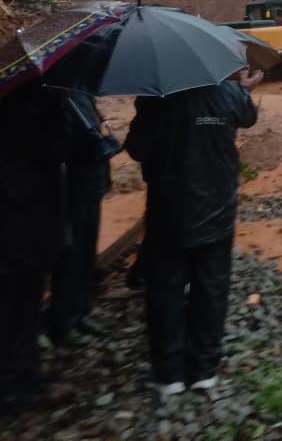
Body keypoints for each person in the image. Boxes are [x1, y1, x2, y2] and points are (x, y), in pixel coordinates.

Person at [124, 68, 262, 402]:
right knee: (212, 289)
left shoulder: (156, 100)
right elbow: (249, 118)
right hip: (218, 212)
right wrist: (241, 89)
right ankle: (204, 371)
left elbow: (137, 149)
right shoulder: (228, 93)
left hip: (169, 213)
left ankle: (169, 374)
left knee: (166, 289)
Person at [0, 81, 69, 416]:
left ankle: (24, 377)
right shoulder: (35, 105)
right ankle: (17, 386)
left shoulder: (23, 101)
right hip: (25, 226)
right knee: (21, 307)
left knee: (18, 308)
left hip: (20, 225)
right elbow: (57, 148)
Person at [46, 92, 118, 346]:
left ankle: (81, 311)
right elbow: (88, 143)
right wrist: (111, 142)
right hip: (77, 186)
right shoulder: (67, 94)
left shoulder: (79, 90)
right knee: (73, 254)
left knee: (86, 250)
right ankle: (64, 319)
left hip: (90, 184)